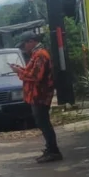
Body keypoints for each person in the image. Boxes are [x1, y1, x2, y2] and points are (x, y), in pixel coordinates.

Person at [11, 33, 62, 163]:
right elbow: (32, 72)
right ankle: (50, 149)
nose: (24, 48)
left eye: (24, 45)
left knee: (44, 124)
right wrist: (21, 70)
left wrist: (19, 72)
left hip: (40, 95)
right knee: (42, 123)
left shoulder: (40, 55)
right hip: (37, 95)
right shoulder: (36, 54)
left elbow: (36, 76)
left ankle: (53, 151)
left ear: (31, 42)